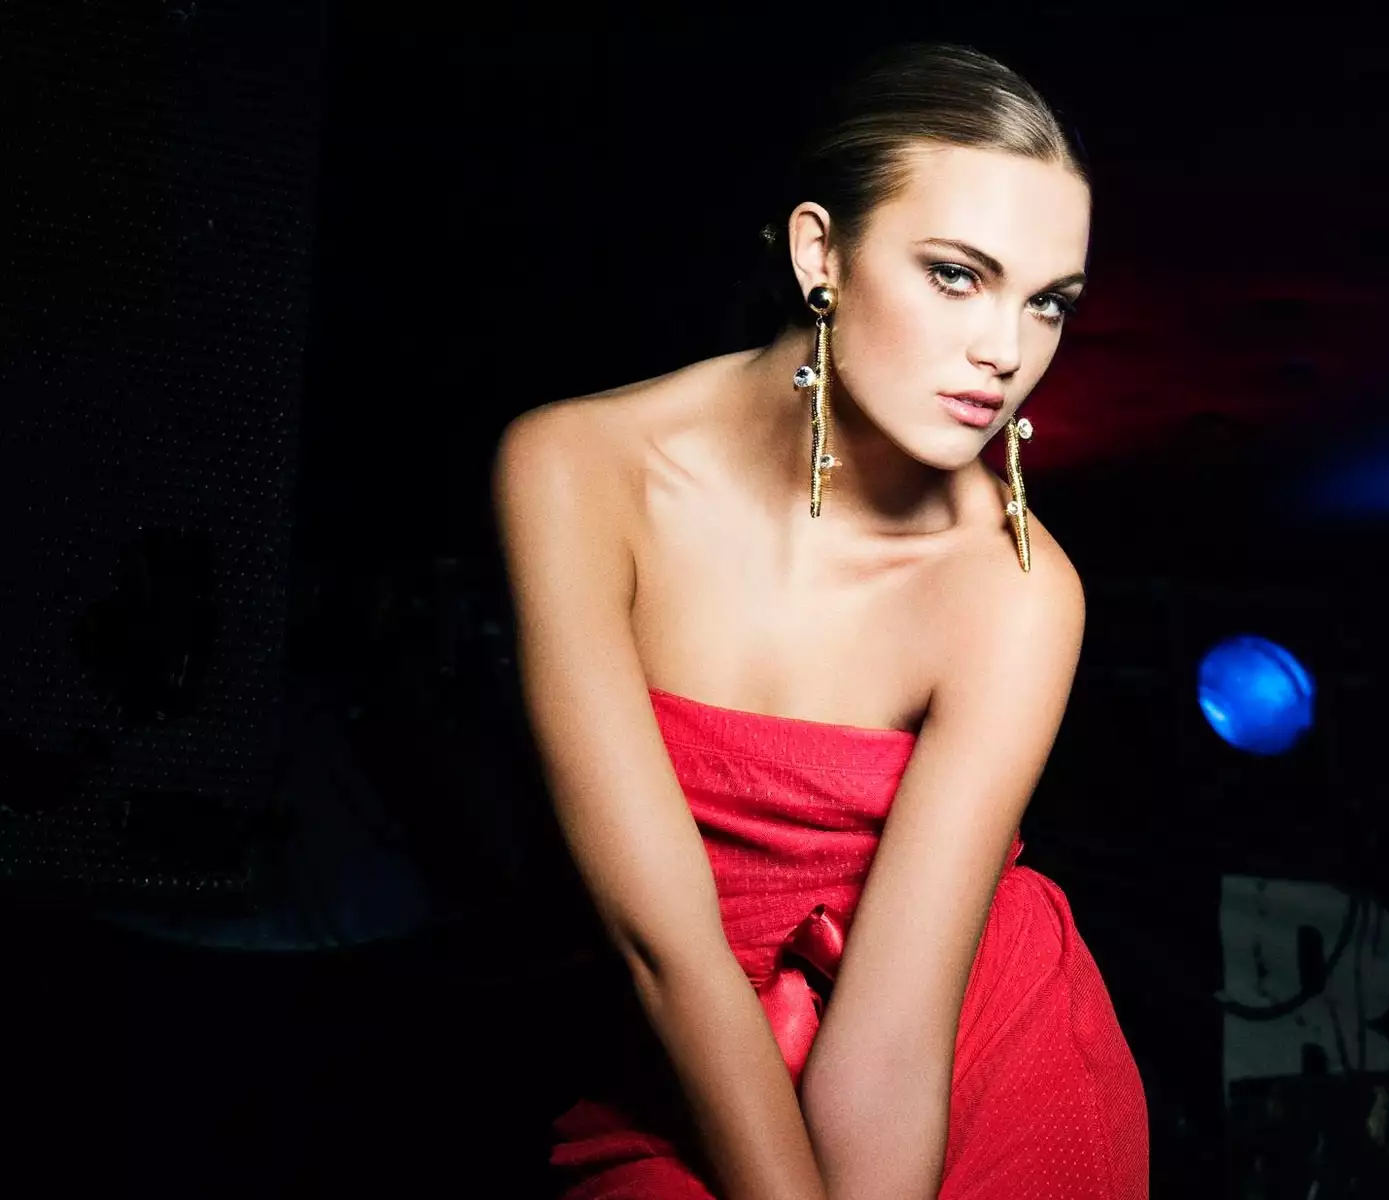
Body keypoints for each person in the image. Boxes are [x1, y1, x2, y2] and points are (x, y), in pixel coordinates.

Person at [493, 42, 1148, 1200]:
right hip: (685, 1067)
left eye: (1048, 302)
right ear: (820, 254)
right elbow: (663, 947)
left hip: (974, 1055)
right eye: (957, 275)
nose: (1007, 352)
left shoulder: (1019, 588)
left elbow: (896, 1036)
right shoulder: (578, 470)